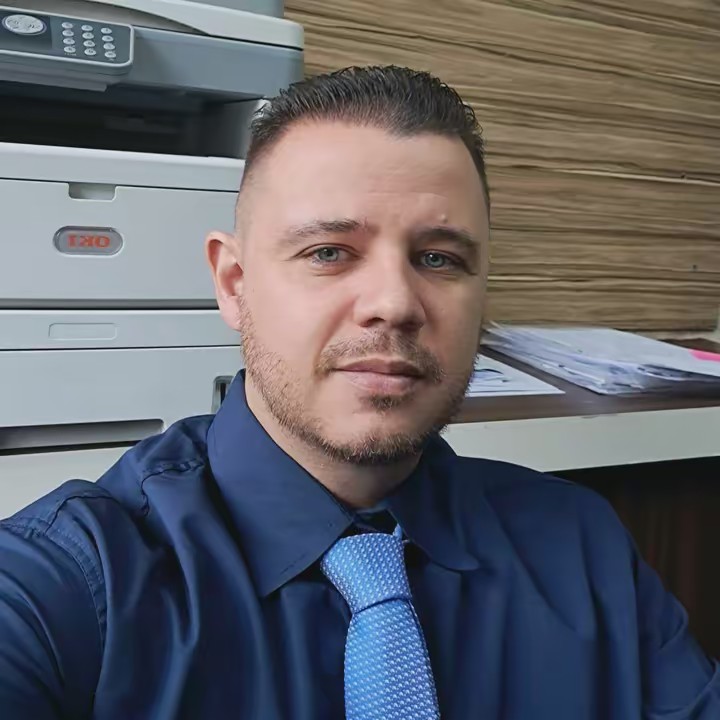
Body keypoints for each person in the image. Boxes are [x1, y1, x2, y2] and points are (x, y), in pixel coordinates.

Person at [0, 65, 717, 720]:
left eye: (438, 258)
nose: (394, 303)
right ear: (235, 284)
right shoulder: (62, 587)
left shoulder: (582, 547)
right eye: (329, 253)